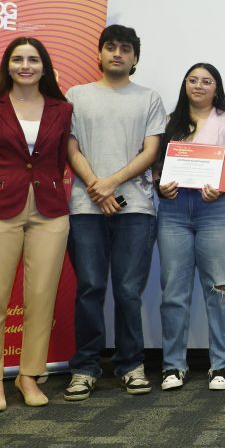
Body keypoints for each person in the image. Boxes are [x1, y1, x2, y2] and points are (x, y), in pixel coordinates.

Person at [0, 37, 73, 412]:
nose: (26, 66)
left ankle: (29, 375)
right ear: (7, 65)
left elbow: (57, 161)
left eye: (33, 59)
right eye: (18, 59)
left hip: (50, 211)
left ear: (44, 67)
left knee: (41, 297)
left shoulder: (61, 108)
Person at [63, 24, 166, 400]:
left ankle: (130, 364)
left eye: (125, 48)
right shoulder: (77, 95)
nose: (117, 53)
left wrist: (111, 184)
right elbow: (70, 147)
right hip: (85, 208)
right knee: (90, 288)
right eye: (111, 47)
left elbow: (151, 151)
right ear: (100, 53)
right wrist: (96, 185)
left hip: (135, 208)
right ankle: (85, 367)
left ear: (135, 57)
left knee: (127, 291)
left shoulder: (149, 98)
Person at [154, 63, 225, 391]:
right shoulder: (168, 122)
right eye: (193, 80)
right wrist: (160, 185)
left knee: (220, 288)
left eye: (206, 81)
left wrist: (223, 187)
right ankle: (173, 366)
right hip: (174, 212)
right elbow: (156, 168)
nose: (198, 85)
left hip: (217, 212)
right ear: (185, 85)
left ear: (216, 88)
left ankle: (222, 365)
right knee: (173, 290)